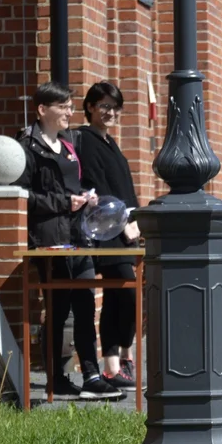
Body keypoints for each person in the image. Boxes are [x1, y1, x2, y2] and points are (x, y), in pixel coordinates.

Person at [13, 82, 121, 401]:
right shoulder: (26, 145)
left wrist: (86, 196)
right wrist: (63, 203)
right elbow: (22, 198)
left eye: (71, 106)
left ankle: (91, 374)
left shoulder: (69, 142)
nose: (69, 112)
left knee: (86, 305)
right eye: (63, 107)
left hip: (79, 236)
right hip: (49, 240)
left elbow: (77, 183)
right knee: (58, 310)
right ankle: (56, 377)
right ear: (42, 109)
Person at [76, 81, 141, 390]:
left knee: (123, 295)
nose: (111, 112)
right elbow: (97, 187)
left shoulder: (110, 142)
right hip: (107, 231)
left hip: (127, 230)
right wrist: (124, 221)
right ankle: (113, 365)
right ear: (90, 107)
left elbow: (125, 188)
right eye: (104, 106)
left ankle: (121, 363)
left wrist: (137, 220)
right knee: (124, 292)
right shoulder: (86, 140)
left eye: (115, 108)